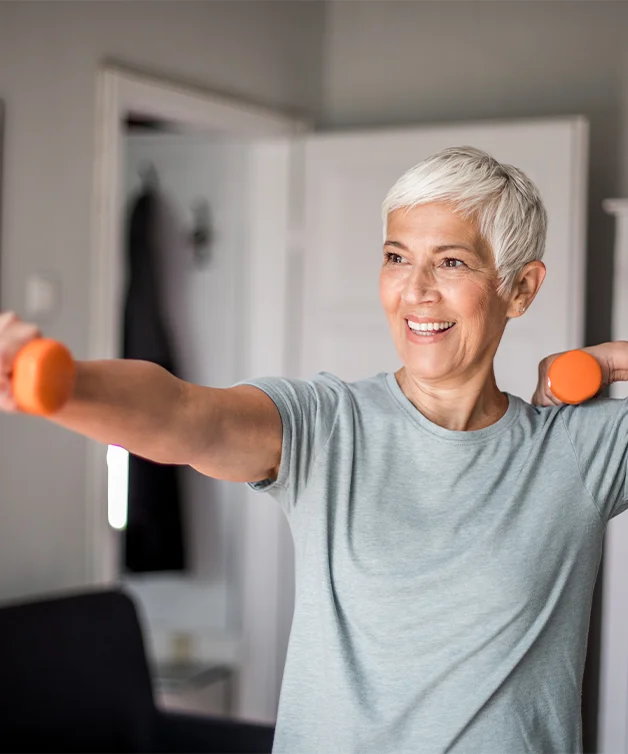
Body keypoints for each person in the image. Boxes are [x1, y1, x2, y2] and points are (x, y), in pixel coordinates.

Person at [0, 146, 626, 754]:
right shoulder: (330, 424)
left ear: (520, 288)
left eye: (453, 262)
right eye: (396, 257)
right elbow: (184, 413)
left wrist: (613, 359)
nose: (416, 291)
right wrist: (57, 383)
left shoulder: (578, 451)